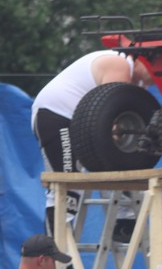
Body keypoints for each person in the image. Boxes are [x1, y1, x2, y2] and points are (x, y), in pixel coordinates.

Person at [31, 50, 153, 243]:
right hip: (57, 115)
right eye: (156, 67)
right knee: (66, 186)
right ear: (143, 59)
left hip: (82, 123)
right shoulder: (120, 65)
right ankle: (55, 257)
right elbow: (111, 120)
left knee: (126, 158)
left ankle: (124, 221)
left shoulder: (137, 82)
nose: (159, 75)